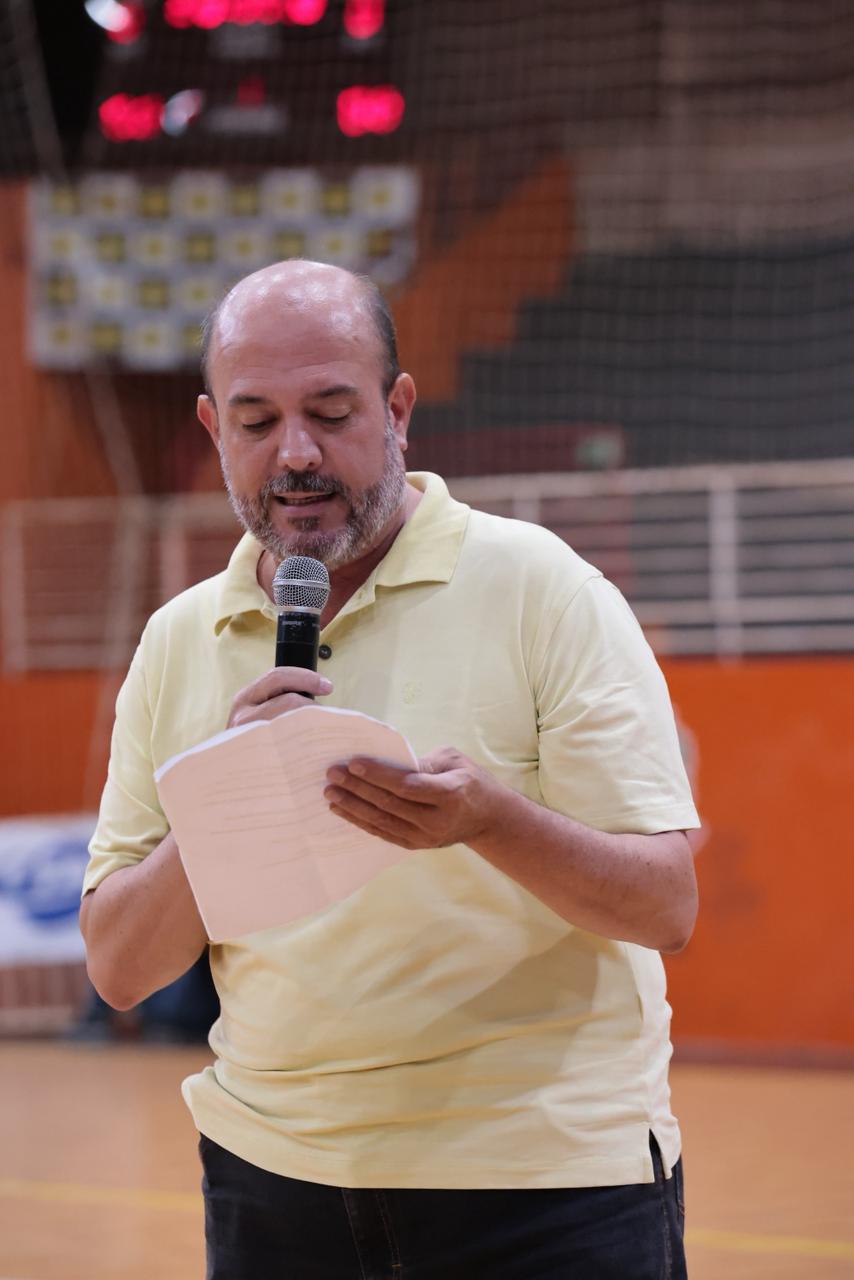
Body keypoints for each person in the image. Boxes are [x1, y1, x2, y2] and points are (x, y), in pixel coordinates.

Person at [80, 259, 700, 1279]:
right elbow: (117, 968)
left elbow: (665, 903)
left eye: (330, 413)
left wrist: (490, 820)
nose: (295, 453)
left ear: (397, 410)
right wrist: (228, 804)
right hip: (271, 1188)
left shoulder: (542, 588)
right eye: (256, 421)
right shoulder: (176, 640)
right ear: (212, 428)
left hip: (545, 1185)